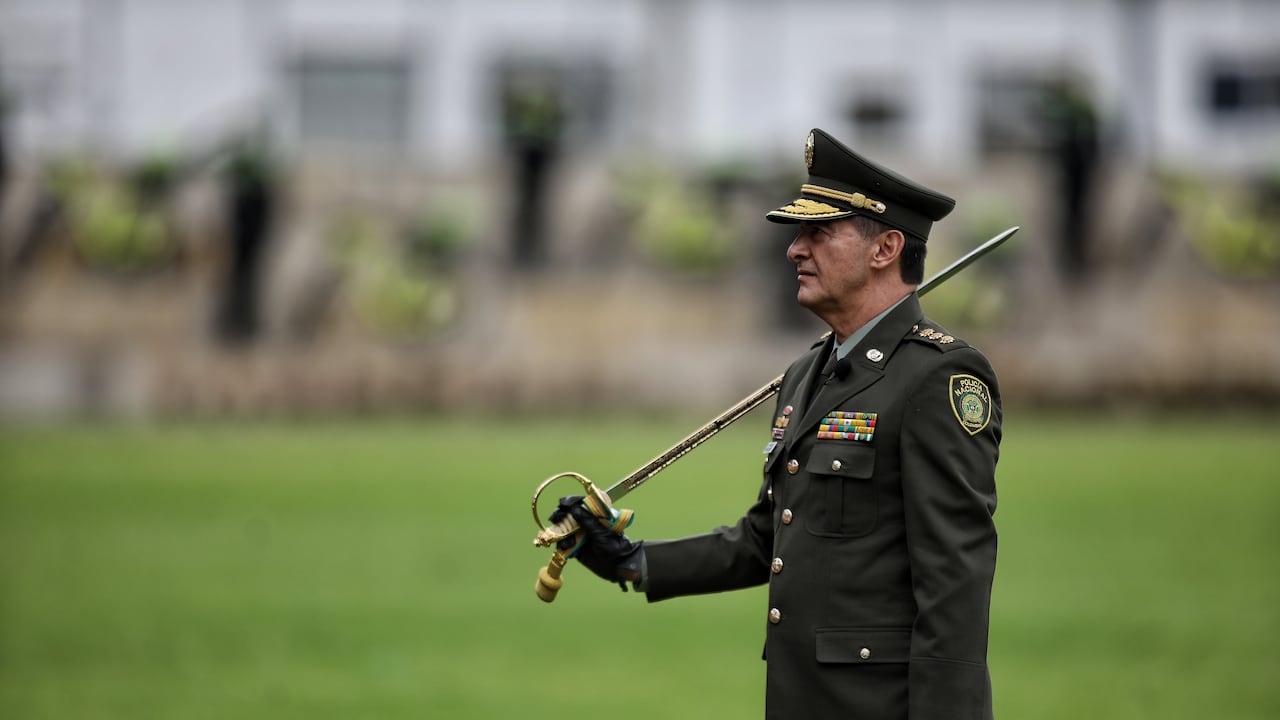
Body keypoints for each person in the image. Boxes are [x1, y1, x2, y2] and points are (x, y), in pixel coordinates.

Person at [551, 128, 1003, 720]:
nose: (794, 249)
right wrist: (633, 562)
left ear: (886, 248)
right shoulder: (806, 373)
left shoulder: (937, 380)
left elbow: (955, 586)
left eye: (819, 232)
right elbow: (770, 537)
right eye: (798, 233)